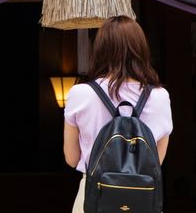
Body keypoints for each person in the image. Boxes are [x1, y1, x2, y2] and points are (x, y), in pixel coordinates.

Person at [63, 15, 172, 212]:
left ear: (100, 50)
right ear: (141, 50)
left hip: (94, 197)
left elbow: (71, 159)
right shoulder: (160, 97)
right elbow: (157, 160)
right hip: (143, 198)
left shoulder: (80, 94)